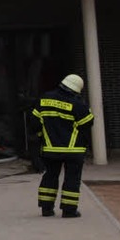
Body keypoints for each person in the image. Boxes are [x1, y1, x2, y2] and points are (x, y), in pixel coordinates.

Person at [32, 74, 94, 218]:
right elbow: (88, 123)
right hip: (74, 150)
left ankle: (46, 209)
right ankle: (69, 210)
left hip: (50, 149)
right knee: (72, 179)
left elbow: (34, 123)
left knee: (50, 176)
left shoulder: (44, 99)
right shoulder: (77, 104)